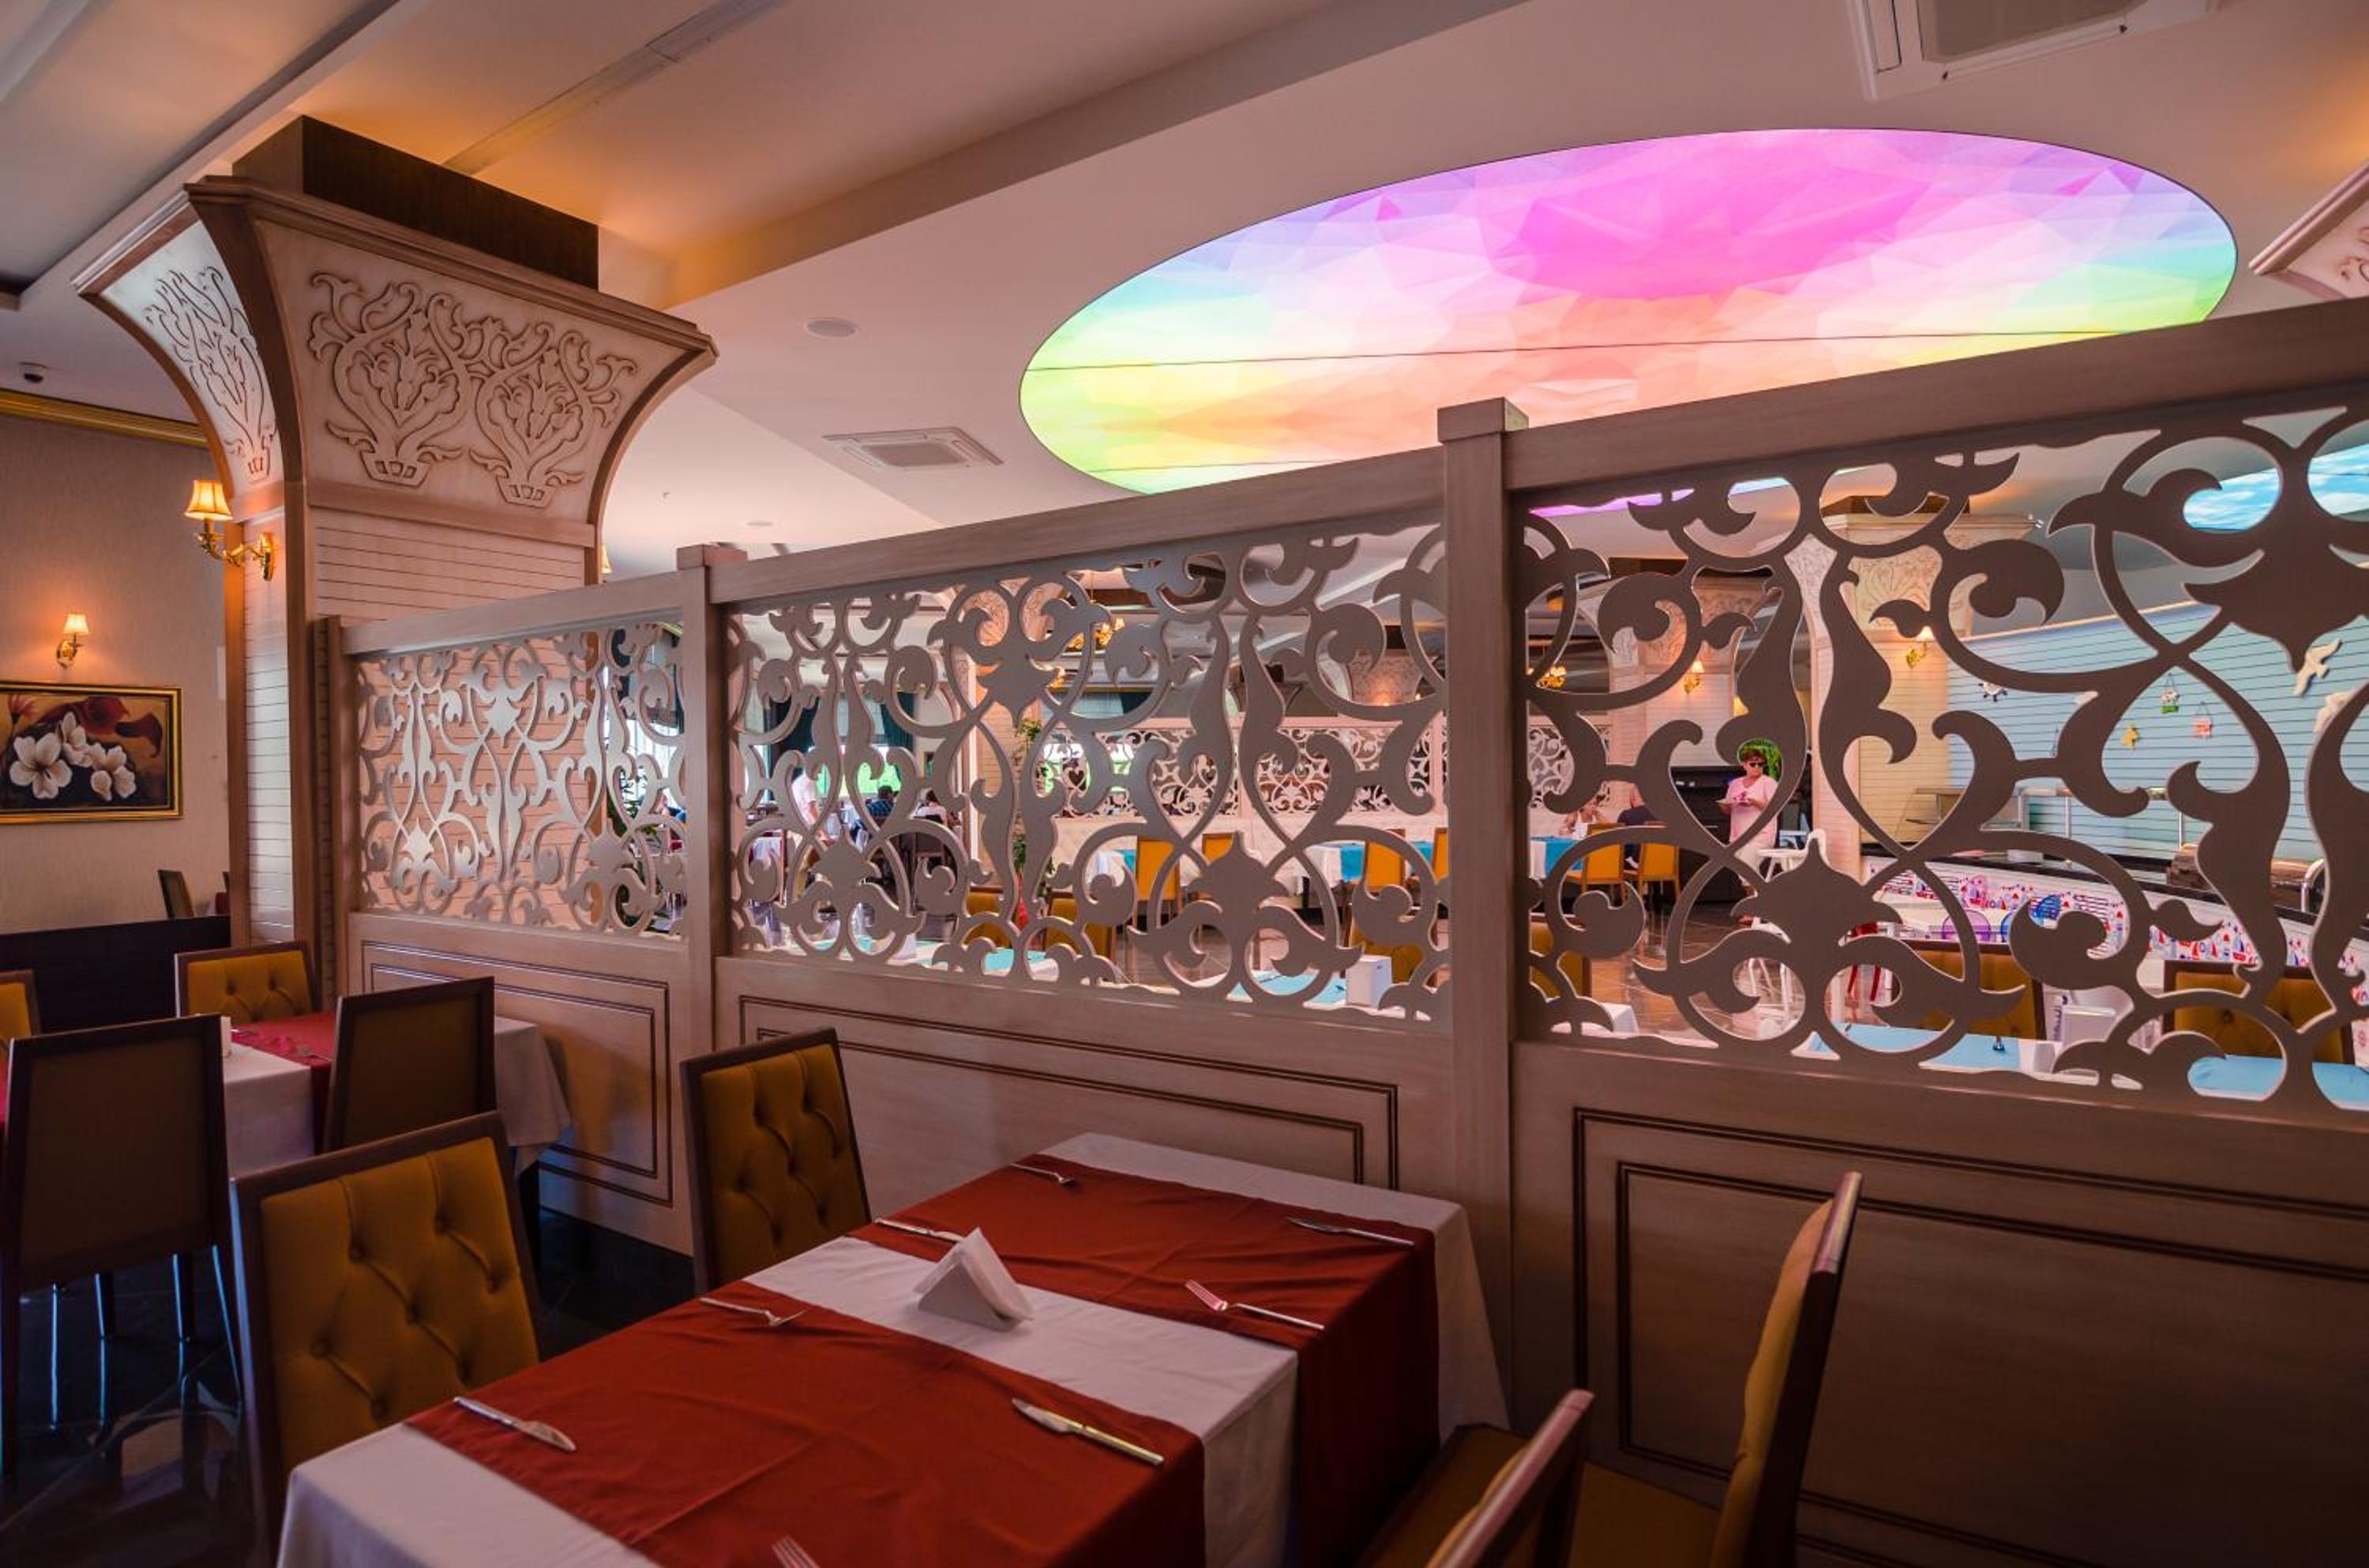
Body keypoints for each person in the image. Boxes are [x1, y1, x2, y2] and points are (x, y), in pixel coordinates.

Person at [1722, 744, 1780, 858]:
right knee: (1740, 868)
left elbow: (1775, 808)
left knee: (1746, 865)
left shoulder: (1769, 782)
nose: (1757, 767)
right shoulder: (1735, 784)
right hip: (1738, 837)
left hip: (1761, 836)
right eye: (1753, 764)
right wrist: (1725, 806)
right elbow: (1728, 810)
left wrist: (1755, 802)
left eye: (1761, 764)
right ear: (1744, 765)